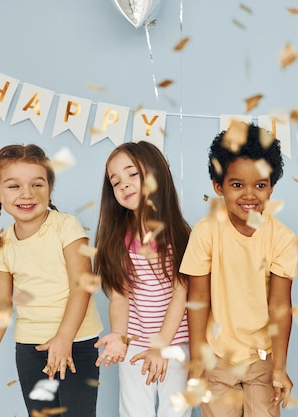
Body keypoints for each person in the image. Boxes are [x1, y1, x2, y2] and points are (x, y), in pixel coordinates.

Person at [0, 144, 103, 417]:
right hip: (30, 350)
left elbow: (83, 285)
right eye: (14, 186)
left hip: (76, 344)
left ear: (49, 189)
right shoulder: (3, 245)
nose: (26, 194)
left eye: (36, 184)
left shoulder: (66, 226)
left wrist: (64, 338)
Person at [180, 123, 298, 417]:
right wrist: (196, 364)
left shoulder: (281, 237)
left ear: (272, 185)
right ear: (218, 186)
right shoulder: (205, 232)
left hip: (262, 359)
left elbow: (280, 305)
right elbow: (198, 299)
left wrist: (280, 368)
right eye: (236, 185)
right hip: (218, 359)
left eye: (260, 185)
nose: (249, 195)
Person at [93, 141, 192, 417]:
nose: (124, 185)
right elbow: (119, 296)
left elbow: (181, 295)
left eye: (132, 174)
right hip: (135, 342)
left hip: (174, 343)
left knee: (175, 411)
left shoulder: (180, 236)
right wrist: (119, 336)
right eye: (116, 181)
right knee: (134, 411)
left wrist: (161, 345)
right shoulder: (117, 239)